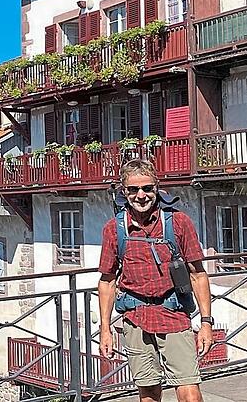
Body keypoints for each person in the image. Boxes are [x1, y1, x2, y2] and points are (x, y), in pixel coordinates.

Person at [97, 159, 213, 402]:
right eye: (133, 189)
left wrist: (205, 323)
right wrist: (105, 330)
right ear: (123, 191)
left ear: (157, 188)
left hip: (174, 315)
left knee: (190, 391)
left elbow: (198, 274)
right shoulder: (113, 229)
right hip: (136, 318)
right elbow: (107, 281)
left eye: (147, 188)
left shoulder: (179, 223)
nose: (141, 195)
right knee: (148, 393)